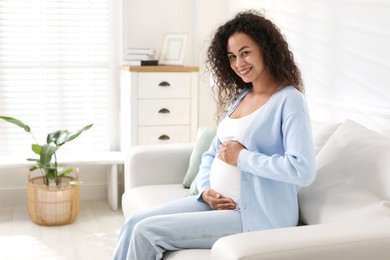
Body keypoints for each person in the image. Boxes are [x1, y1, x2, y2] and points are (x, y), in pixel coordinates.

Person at [112, 9, 316, 260]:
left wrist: (242, 157)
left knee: (146, 232)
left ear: (266, 49)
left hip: (254, 215)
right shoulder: (242, 96)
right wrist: (206, 190)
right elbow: (213, 151)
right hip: (214, 202)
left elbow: (302, 169)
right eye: (232, 56)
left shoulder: (289, 100)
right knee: (135, 222)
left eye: (245, 52)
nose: (239, 63)